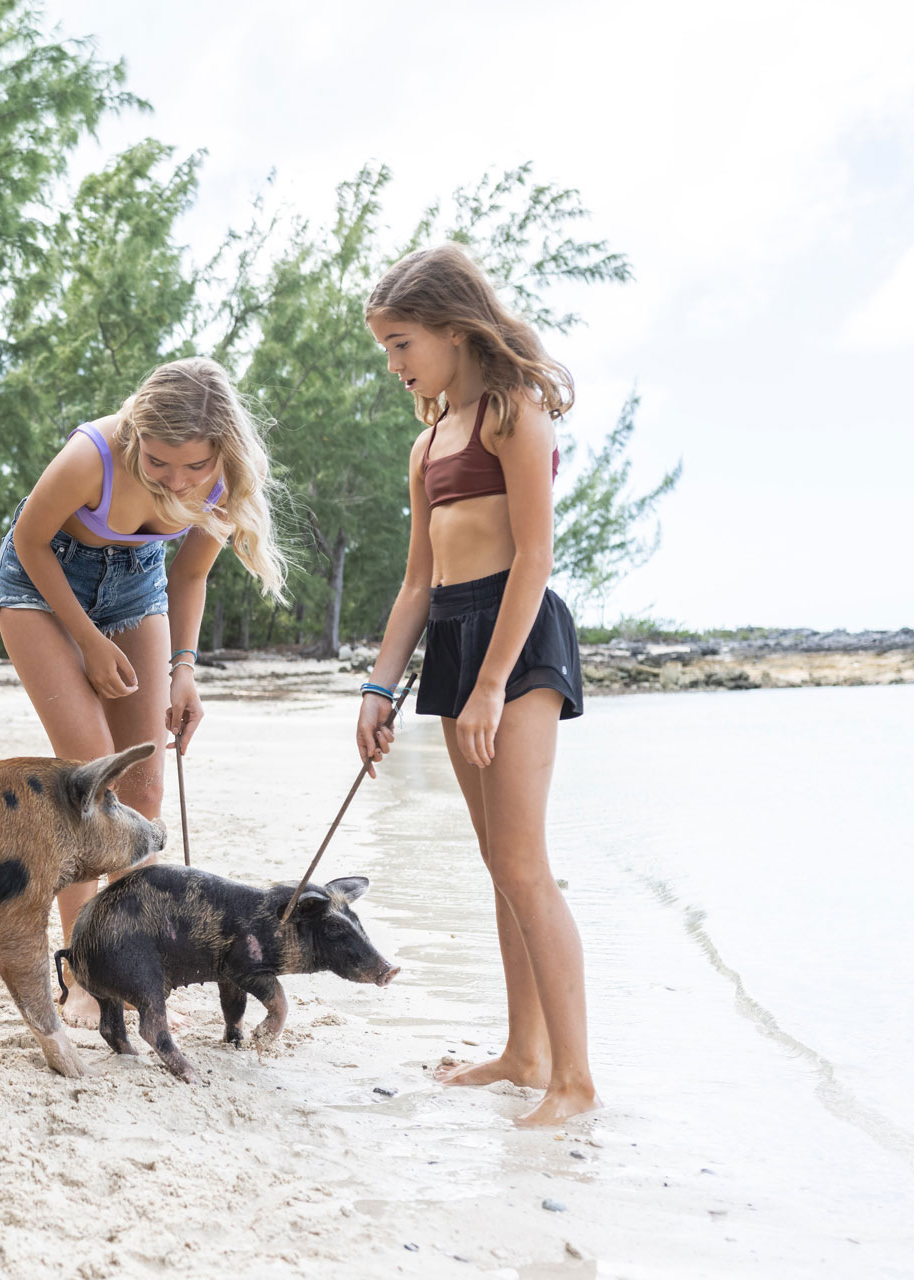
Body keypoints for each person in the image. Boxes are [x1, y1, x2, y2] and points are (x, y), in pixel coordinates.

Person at [356, 242, 599, 1126]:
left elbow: (535, 557)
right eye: (386, 346)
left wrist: (494, 681)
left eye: (402, 343)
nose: (394, 363)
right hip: (456, 635)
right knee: (501, 867)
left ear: (456, 332)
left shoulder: (512, 415)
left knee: (526, 865)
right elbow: (418, 582)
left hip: (517, 637)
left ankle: (575, 1080)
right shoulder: (427, 445)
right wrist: (377, 692)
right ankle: (524, 1052)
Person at [0, 357, 288, 1026]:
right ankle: (83, 975)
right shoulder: (89, 456)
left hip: (139, 587)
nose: (177, 480)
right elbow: (29, 542)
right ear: (134, 440)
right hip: (43, 585)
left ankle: (134, 964)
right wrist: (89, 641)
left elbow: (188, 578)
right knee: (90, 784)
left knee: (145, 789)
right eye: (159, 464)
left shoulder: (224, 483)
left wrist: (184, 666)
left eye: (194, 468)